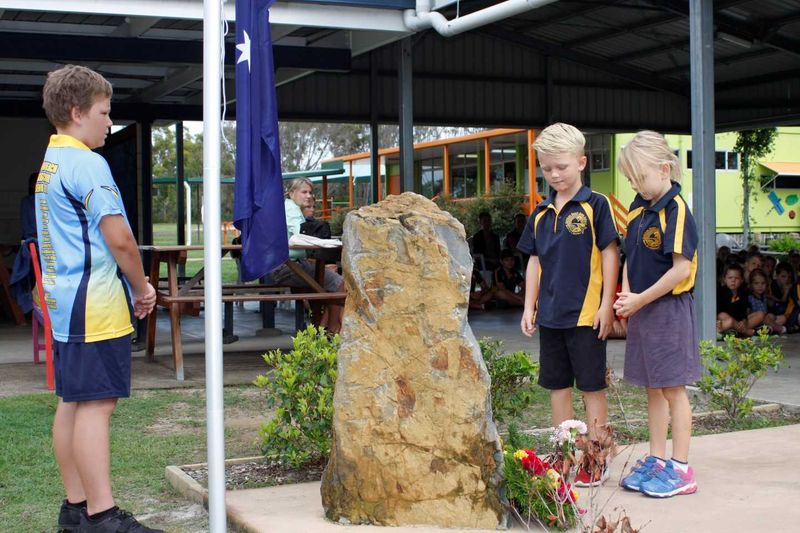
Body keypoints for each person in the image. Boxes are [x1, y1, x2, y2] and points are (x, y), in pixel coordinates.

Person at [38, 65, 159, 532]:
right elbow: (121, 241)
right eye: (105, 113)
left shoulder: (52, 161)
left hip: (66, 304)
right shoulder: (88, 164)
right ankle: (103, 516)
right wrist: (142, 287)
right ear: (77, 111)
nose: (110, 123)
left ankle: (76, 510)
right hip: (96, 305)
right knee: (96, 405)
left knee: (73, 401)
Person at [517, 122, 619, 487]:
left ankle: (596, 456)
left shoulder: (596, 205)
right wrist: (529, 306)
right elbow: (534, 261)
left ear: (581, 162)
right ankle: (564, 455)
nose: (555, 174)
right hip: (551, 316)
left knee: (592, 388)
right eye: (547, 168)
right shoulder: (541, 213)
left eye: (561, 166)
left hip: (588, 315)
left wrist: (607, 305)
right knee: (557, 387)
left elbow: (609, 254)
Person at [614, 130, 700, 498]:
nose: (638, 185)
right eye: (632, 180)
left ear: (665, 169)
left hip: (668, 310)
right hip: (643, 309)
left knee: (672, 388)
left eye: (642, 178)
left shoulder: (677, 210)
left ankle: (681, 469)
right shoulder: (637, 207)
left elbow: (681, 269)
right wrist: (626, 296)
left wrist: (640, 300)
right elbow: (630, 256)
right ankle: (658, 459)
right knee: (652, 387)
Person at [271, 178, 344, 333]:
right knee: (340, 284)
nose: (309, 196)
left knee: (324, 286)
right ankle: (332, 331)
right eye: (304, 192)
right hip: (288, 266)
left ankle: (324, 328)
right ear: (291, 193)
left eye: (310, 192)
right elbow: (302, 236)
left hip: (288, 265)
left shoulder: (290, 208)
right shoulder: (291, 209)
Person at [717, 264, 754, 337]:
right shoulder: (720, 292)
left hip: (738, 322)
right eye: (730, 278)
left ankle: (735, 329)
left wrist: (743, 321)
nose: (733, 280)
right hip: (725, 321)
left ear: (741, 280)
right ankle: (745, 332)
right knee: (723, 315)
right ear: (724, 279)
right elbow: (719, 311)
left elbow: (743, 311)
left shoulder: (743, 293)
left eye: (736, 278)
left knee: (760, 314)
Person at [747, 269, 787, 334]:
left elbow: (776, 304)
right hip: (754, 321)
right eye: (756, 283)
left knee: (782, 318)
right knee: (762, 315)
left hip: (764, 320)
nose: (760, 286)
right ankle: (779, 329)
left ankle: (765, 329)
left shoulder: (765, 297)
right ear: (751, 284)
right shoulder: (749, 297)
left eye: (763, 283)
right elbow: (748, 315)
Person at [21, 171, 38, 239]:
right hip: (32, 238)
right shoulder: (26, 202)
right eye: (35, 182)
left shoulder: (49, 200)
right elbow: (26, 227)